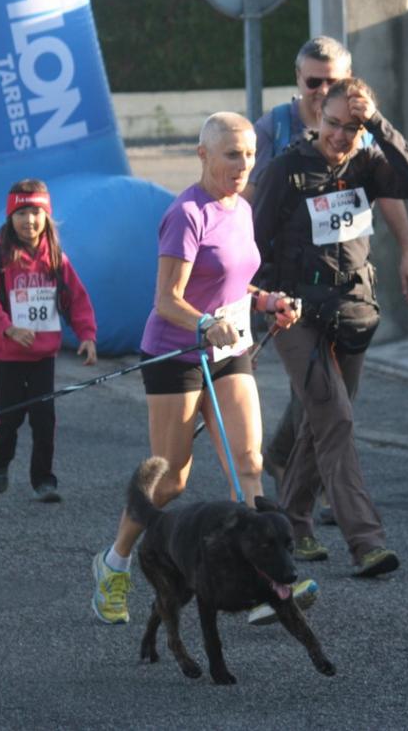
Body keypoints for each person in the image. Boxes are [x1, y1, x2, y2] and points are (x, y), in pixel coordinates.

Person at [91, 112, 305, 626]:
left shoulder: (242, 208)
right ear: (203, 155)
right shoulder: (186, 214)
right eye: (232, 154)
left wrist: (267, 301)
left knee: (247, 462)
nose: (243, 165)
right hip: (177, 355)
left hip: (229, 351)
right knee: (169, 482)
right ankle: (114, 563)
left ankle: (262, 587)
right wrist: (205, 323)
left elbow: (232, 281)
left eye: (250, 154)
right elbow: (167, 299)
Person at [251, 77, 408, 578]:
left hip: (352, 308)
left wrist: (378, 123)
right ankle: (366, 541)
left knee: (321, 422)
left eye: (351, 128)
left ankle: (293, 523)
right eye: (332, 124)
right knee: (337, 418)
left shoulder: (366, 164)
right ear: (318, 118)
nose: (339, 136)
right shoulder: (286, 169)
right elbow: (252, 246)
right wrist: (259, 307)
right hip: (294, 312)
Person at [0, 178, 97, 502]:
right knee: (11, 417)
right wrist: (9, 328)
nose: (28, 220)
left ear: (46, 217)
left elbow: (77, 300)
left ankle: (43, 480)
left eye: (35, 213)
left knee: (44, 419)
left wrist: (87, 335)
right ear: (10, 218)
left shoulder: (56, 258)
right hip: (9, 354)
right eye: (21, 213)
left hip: (43, 355)